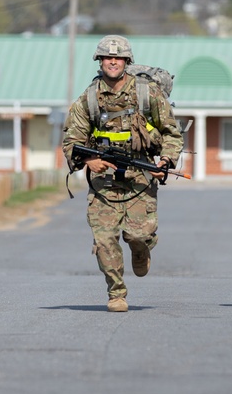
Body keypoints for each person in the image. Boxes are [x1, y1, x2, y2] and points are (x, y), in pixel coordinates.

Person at [62, 35, 184, 312]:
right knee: (104, 239)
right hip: (103, 178)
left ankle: (142, 249)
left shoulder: (146, 93)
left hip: (140, 173)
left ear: (127, 61)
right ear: (100, 61)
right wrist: (89, 160)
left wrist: (166, 159)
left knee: (137, 235)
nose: (113, 61)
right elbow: (71, 140)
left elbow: (171, 133)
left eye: (118, 58)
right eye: (107, 57)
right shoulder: (89, 98)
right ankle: (116, 293)